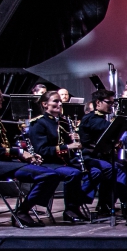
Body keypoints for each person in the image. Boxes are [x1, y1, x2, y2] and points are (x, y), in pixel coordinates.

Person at [0, 82, 64, 227]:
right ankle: (22, 212)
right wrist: (19, 153)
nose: (2, 99)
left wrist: (27, 154)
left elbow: (3, 146)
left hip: (4, 163)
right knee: (49, 175)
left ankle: (25, 210)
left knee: (51, 174)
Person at [29, 90, 102, 223]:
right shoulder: (39, 123)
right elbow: (42, 150)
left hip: (65, 162)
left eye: (60, 101)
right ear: (45, 104)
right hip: (49, 163)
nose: (60, 104)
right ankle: (70, 210)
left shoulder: (63, 122)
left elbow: (70, 147)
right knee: (73, 174)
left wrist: (75, 140)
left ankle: (76, 204)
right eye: (55, 101)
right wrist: (67, 147)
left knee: (96, 172)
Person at [78, 89, 127, 218]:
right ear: (98, 103)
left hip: (106, 157)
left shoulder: (102, 118)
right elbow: (108, 128)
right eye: (109, 103)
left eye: (112, 103)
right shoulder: (90, 118)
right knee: (117, 169)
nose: (111, 105)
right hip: (91, 157)